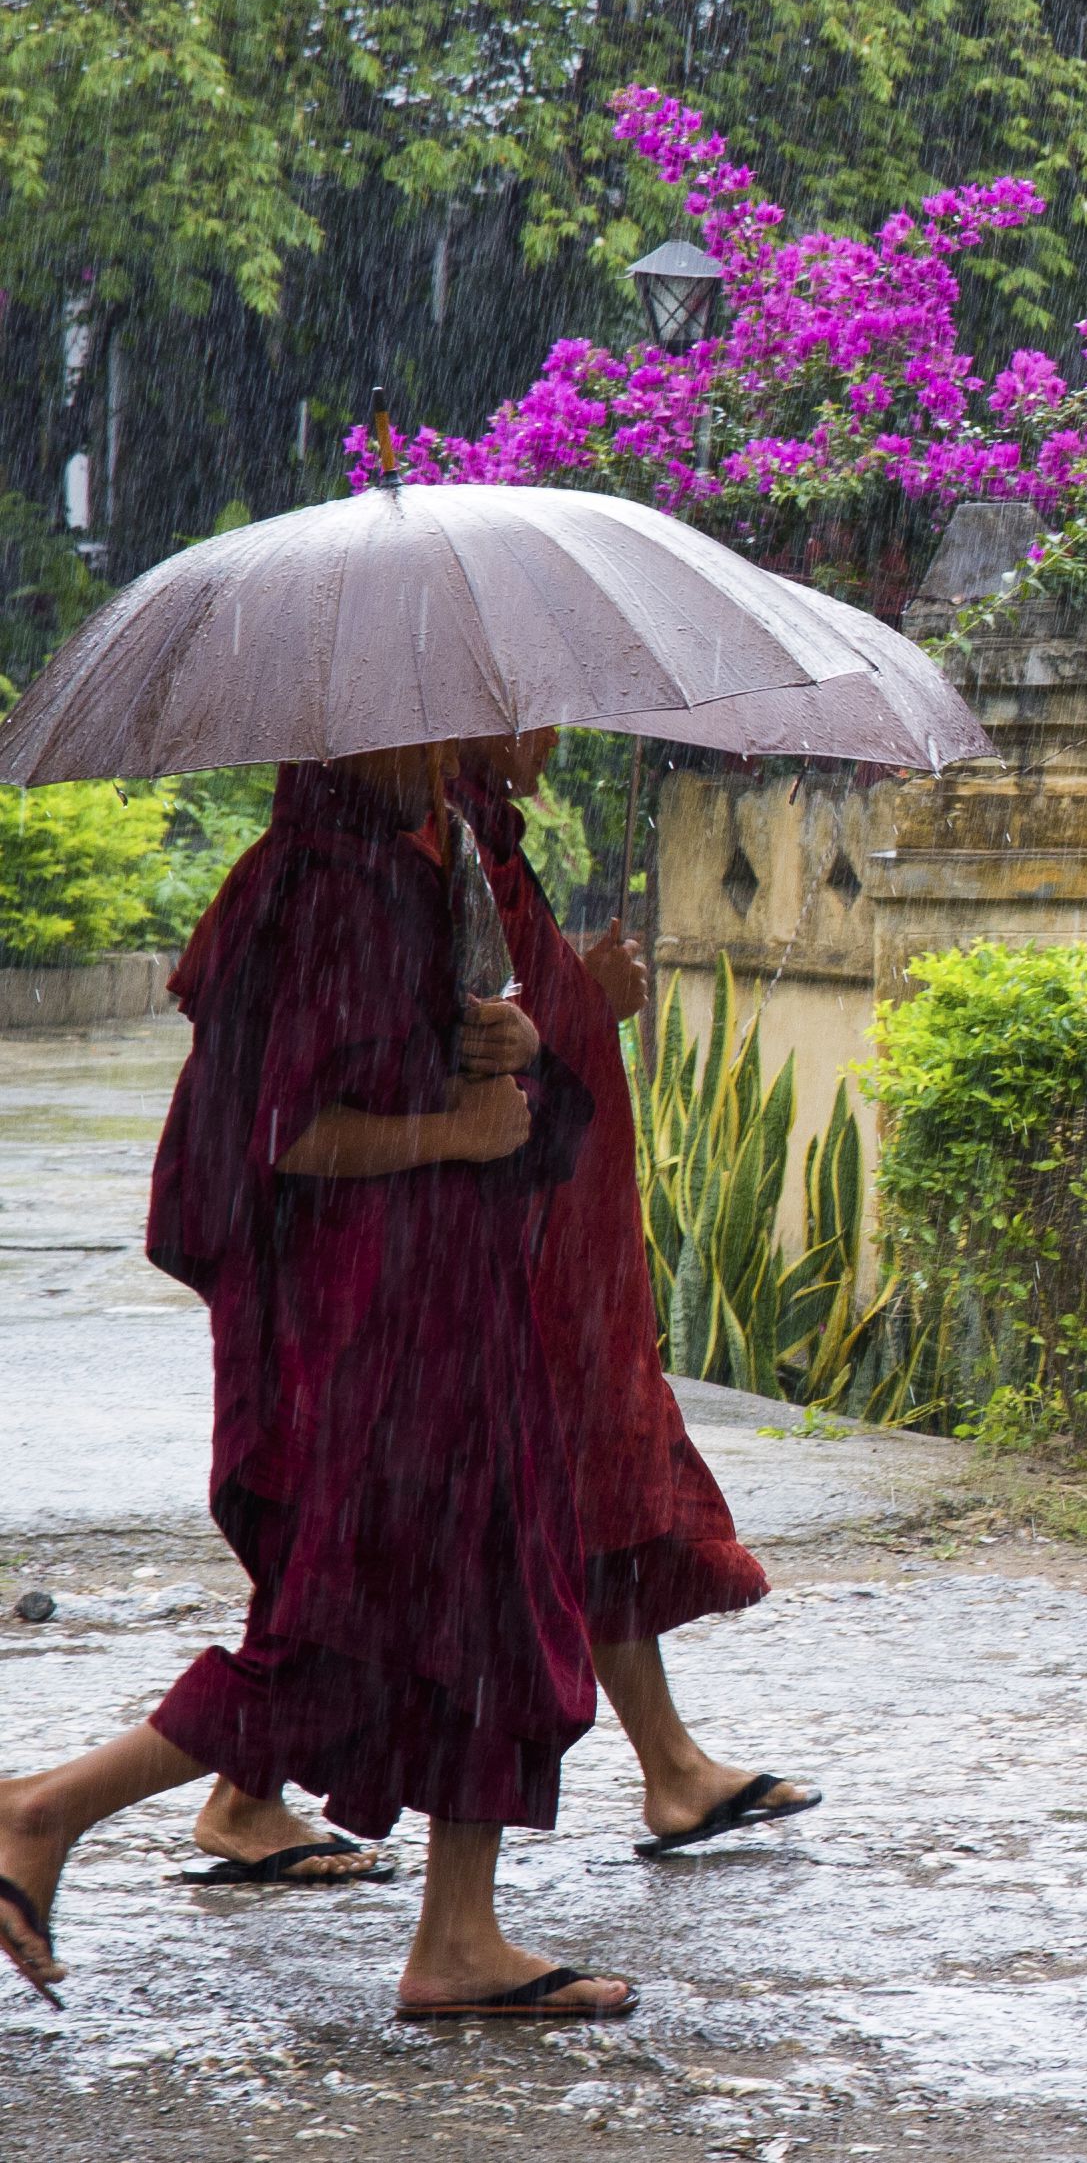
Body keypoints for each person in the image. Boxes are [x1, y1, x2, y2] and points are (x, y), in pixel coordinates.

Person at [0, 747, 629, 2018]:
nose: (460, 738)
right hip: (353, 1326)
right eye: (432, 716)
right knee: (335, 1631)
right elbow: (287, 1134)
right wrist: (453, 1128)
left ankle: (458, 1939)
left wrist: (514, 1038)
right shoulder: (321, 885)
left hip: (451, 1300)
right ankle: (38, 1810)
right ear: (354, 733)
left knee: (491, 1604)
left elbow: (468, 1076)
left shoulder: (443, 856)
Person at [193, 731, 818, 1875]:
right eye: (520, 711)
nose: (548, 733)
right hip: (448, 1258)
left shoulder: (459, 842)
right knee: (410, 1542)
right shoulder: (367, 868)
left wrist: (573, 1000)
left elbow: (493, 1021)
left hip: (520, 1230)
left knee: (551, 1504)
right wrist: (562, 1027)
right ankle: (127, 1803)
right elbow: (321, 1108)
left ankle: (647, 1777)